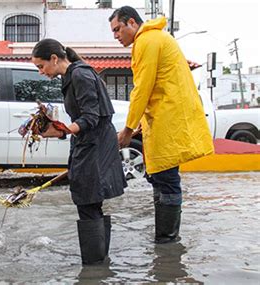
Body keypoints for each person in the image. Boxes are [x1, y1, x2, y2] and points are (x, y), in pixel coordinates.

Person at [108, 6, 214, 243]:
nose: (115, 36)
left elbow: (142, 88)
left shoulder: (147, 41)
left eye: (117, 30)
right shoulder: (154, 38)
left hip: (169, 118)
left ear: (131, 23)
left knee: (166, 179)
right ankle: (165, 238)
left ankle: (167, 241)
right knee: (159, 176)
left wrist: (127, 129)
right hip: (165, 116)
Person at [31, 38, 127, 265]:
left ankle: (94, 267)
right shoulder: (71, 75)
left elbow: (91, 117)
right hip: (89, 142)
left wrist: (64, 130)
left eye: (40, 66)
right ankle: (99, 263)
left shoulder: (79, 75)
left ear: (54, 58)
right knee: (90, 202)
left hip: (95, 144)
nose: (40, 72)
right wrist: (61, 130)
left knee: (87, 201)